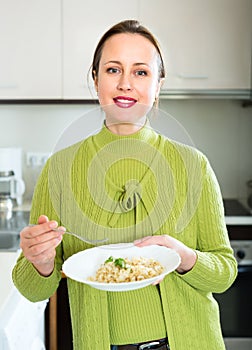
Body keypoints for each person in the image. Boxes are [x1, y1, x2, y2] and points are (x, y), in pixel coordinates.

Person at [12, 20, 237, 350]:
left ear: (158, 85)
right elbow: (32, 290)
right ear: (95, 79)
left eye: (141, 72)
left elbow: (224, 272)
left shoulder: (193, 166)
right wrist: (41, 262)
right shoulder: (60, 169)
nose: (126, 84)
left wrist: (185, 257)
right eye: (113, 70)